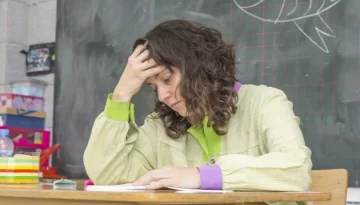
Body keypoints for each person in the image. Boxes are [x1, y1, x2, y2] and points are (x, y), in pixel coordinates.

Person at [83, 19, 313, 193]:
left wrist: (201, 176)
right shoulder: (159, 127)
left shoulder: (265, 102)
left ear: (197, 66)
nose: (162, 95)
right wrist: (122, 94)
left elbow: (296, 169)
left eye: (167, 79)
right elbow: (108, 176)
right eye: (153, 87)